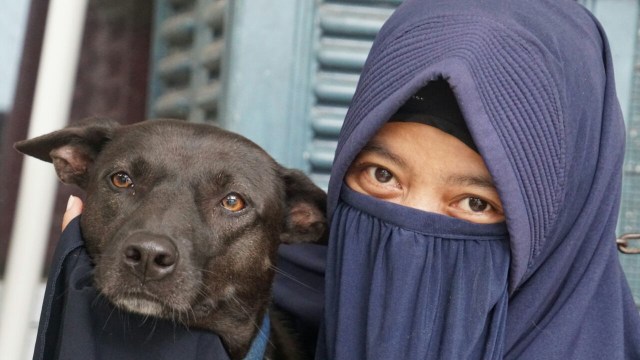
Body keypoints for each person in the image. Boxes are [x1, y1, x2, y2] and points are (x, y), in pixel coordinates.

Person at [57, 0, 640, 359]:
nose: (415, 231)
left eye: (475, 202)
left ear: (559, 228)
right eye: (382, 175)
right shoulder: (254, 299)